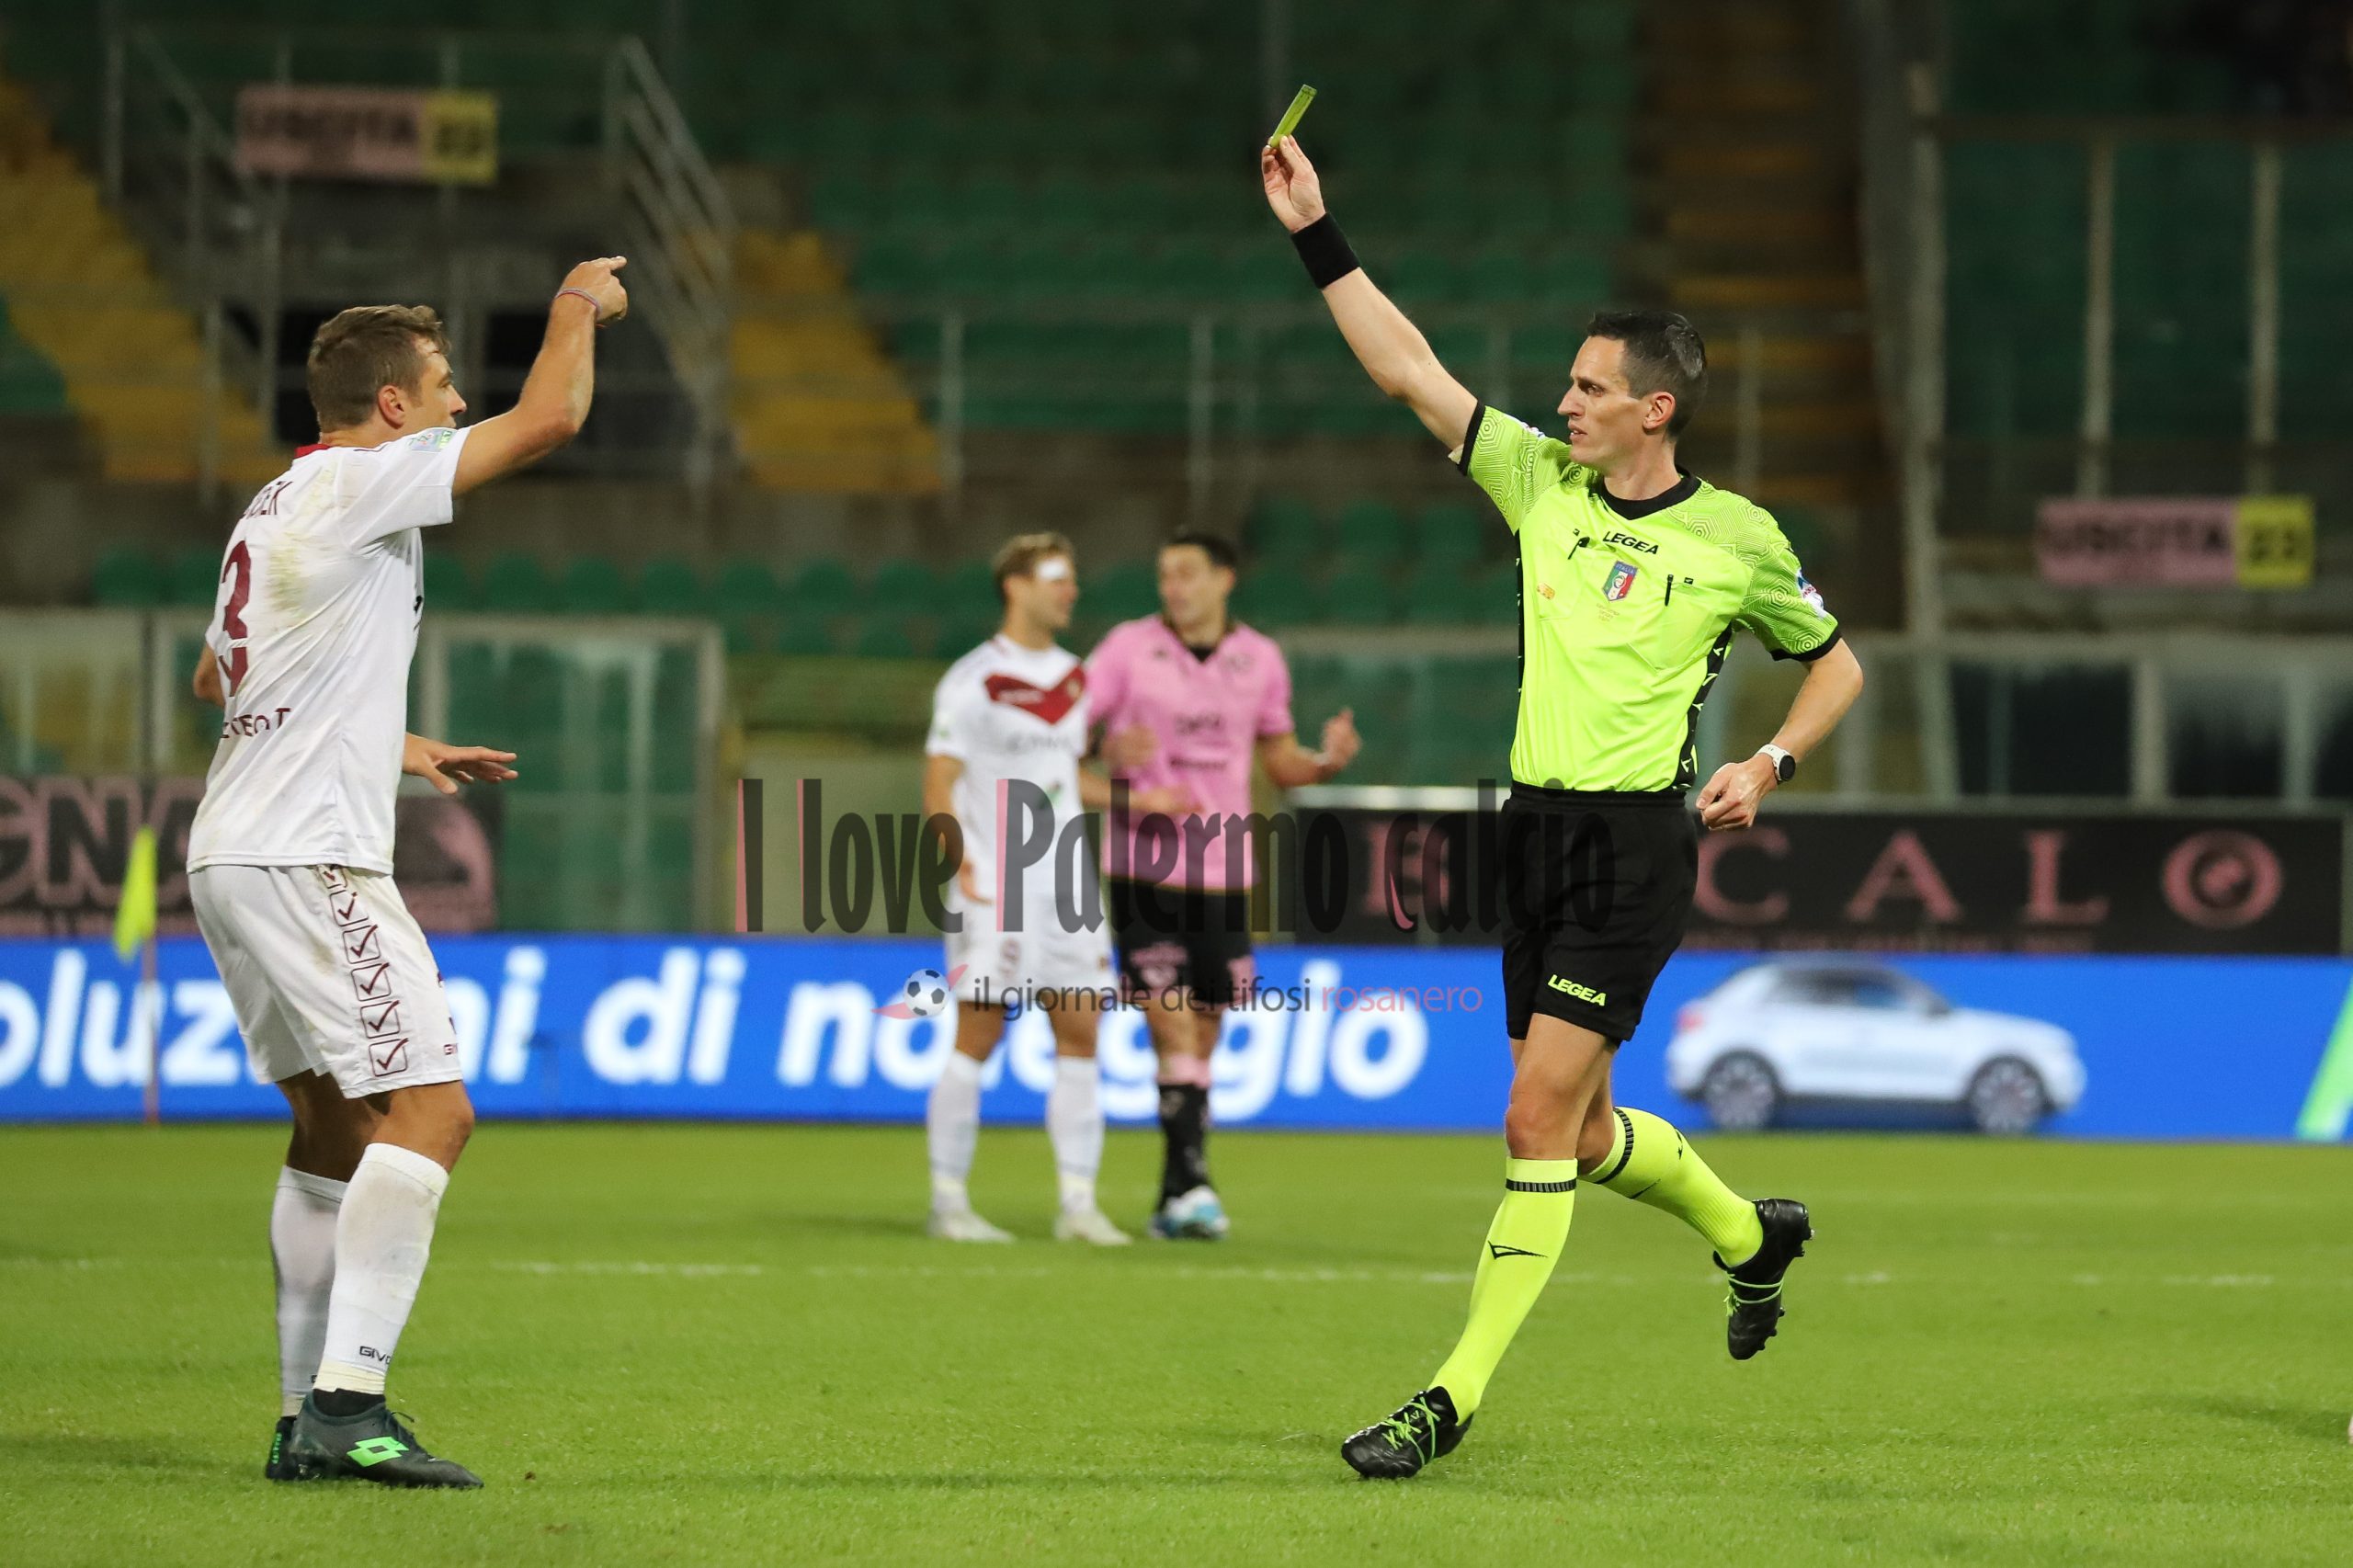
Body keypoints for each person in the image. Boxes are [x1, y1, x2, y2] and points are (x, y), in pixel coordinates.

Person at [1257, 136, 1868, 1479]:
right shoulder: (1540, 481)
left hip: (1637, 848)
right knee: (1583, 1132)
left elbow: (1838, 664)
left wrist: (1771, 763)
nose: (1567, 401)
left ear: (1658, 408)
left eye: (1592, 387)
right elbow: (1408, 370)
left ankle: (1448, 1400)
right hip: (1530, 831)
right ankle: (1752, 1238)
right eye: (1570, 383)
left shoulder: (1740, 540)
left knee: (1533, 1122)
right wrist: (1318, 232)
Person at [188, 259, 631, 1488]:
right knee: (436, 1110)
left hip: (234, 847)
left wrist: (396, 742)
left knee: (335, 1127)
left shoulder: (273, 505)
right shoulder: (362, 481)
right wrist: (577, 306)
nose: (453, 407)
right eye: (440, 389)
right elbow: (550, 419)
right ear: (389, 407)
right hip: (311, 855)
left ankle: (301, 1417)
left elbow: (219, 679)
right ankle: (348, 1399)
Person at [1085, 530, 1359, 1239]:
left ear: (1224, 579)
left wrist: (1324, 763)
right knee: (1170, 1022)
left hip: (1224, 871)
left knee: (1202, 1035)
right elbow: (1061, 751)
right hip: (1142, 869)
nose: (1173, 587)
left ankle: (1174, 1197)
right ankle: (1197, 1187)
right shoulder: (1124, 651)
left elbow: (1279, 762)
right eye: (1164, 574)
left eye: (1186, 574)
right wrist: (1124, 778)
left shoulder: (1259, 660)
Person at [920, 534, 1188, 1244]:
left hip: (1067, 880)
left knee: (1081, 1033)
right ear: (1016, 586)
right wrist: (961, 861)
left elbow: (1065, 781)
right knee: (977, 1034)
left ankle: (1077, 1204)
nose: (1071, 592)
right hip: (998, 881)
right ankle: (949, 1200)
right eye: (1057, 580)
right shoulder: (972, 680)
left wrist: (1138, 799)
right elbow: (938, 785)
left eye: (1071, 580)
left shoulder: (1076, 680)